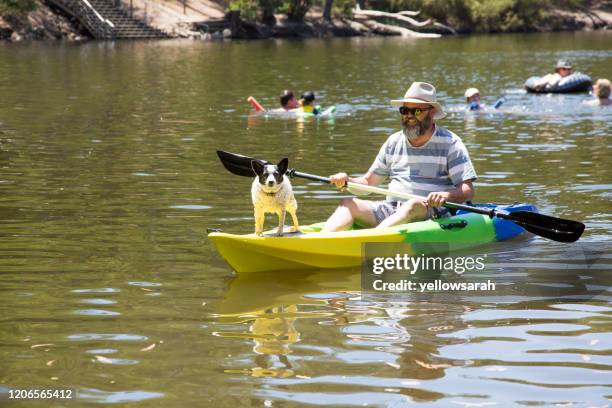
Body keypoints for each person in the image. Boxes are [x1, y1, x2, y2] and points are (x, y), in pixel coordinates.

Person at [322, 82, 477, 232]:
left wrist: (446, 195)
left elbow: (467, 190)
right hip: (393, 209)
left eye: (416, 111)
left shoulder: (451, 143)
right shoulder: (393, 142)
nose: (408, 116)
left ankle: (370, 239)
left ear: (431, 113)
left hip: (430, 211)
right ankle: (321, 242)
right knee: (348, 203)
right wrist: (348, 181)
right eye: (404, 111)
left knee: (413, 205)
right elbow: (368, 183)